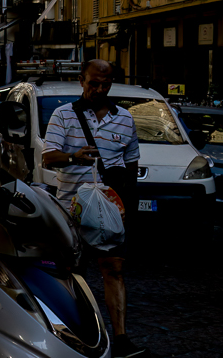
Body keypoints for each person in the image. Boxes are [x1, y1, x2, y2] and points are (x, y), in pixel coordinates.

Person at [42, 60, 144, 358]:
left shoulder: (125, 118)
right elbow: (49, 158)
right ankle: (78, 335)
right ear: (81, 80)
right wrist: (73, 156)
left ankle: (121, 339)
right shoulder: (63, 114)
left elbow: (131, 165)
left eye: (105, 84)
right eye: (93, 83)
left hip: (111, 211)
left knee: (114, 268)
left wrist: (128, 206)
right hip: (70, 210)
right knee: (72, 273)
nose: (99, 89)